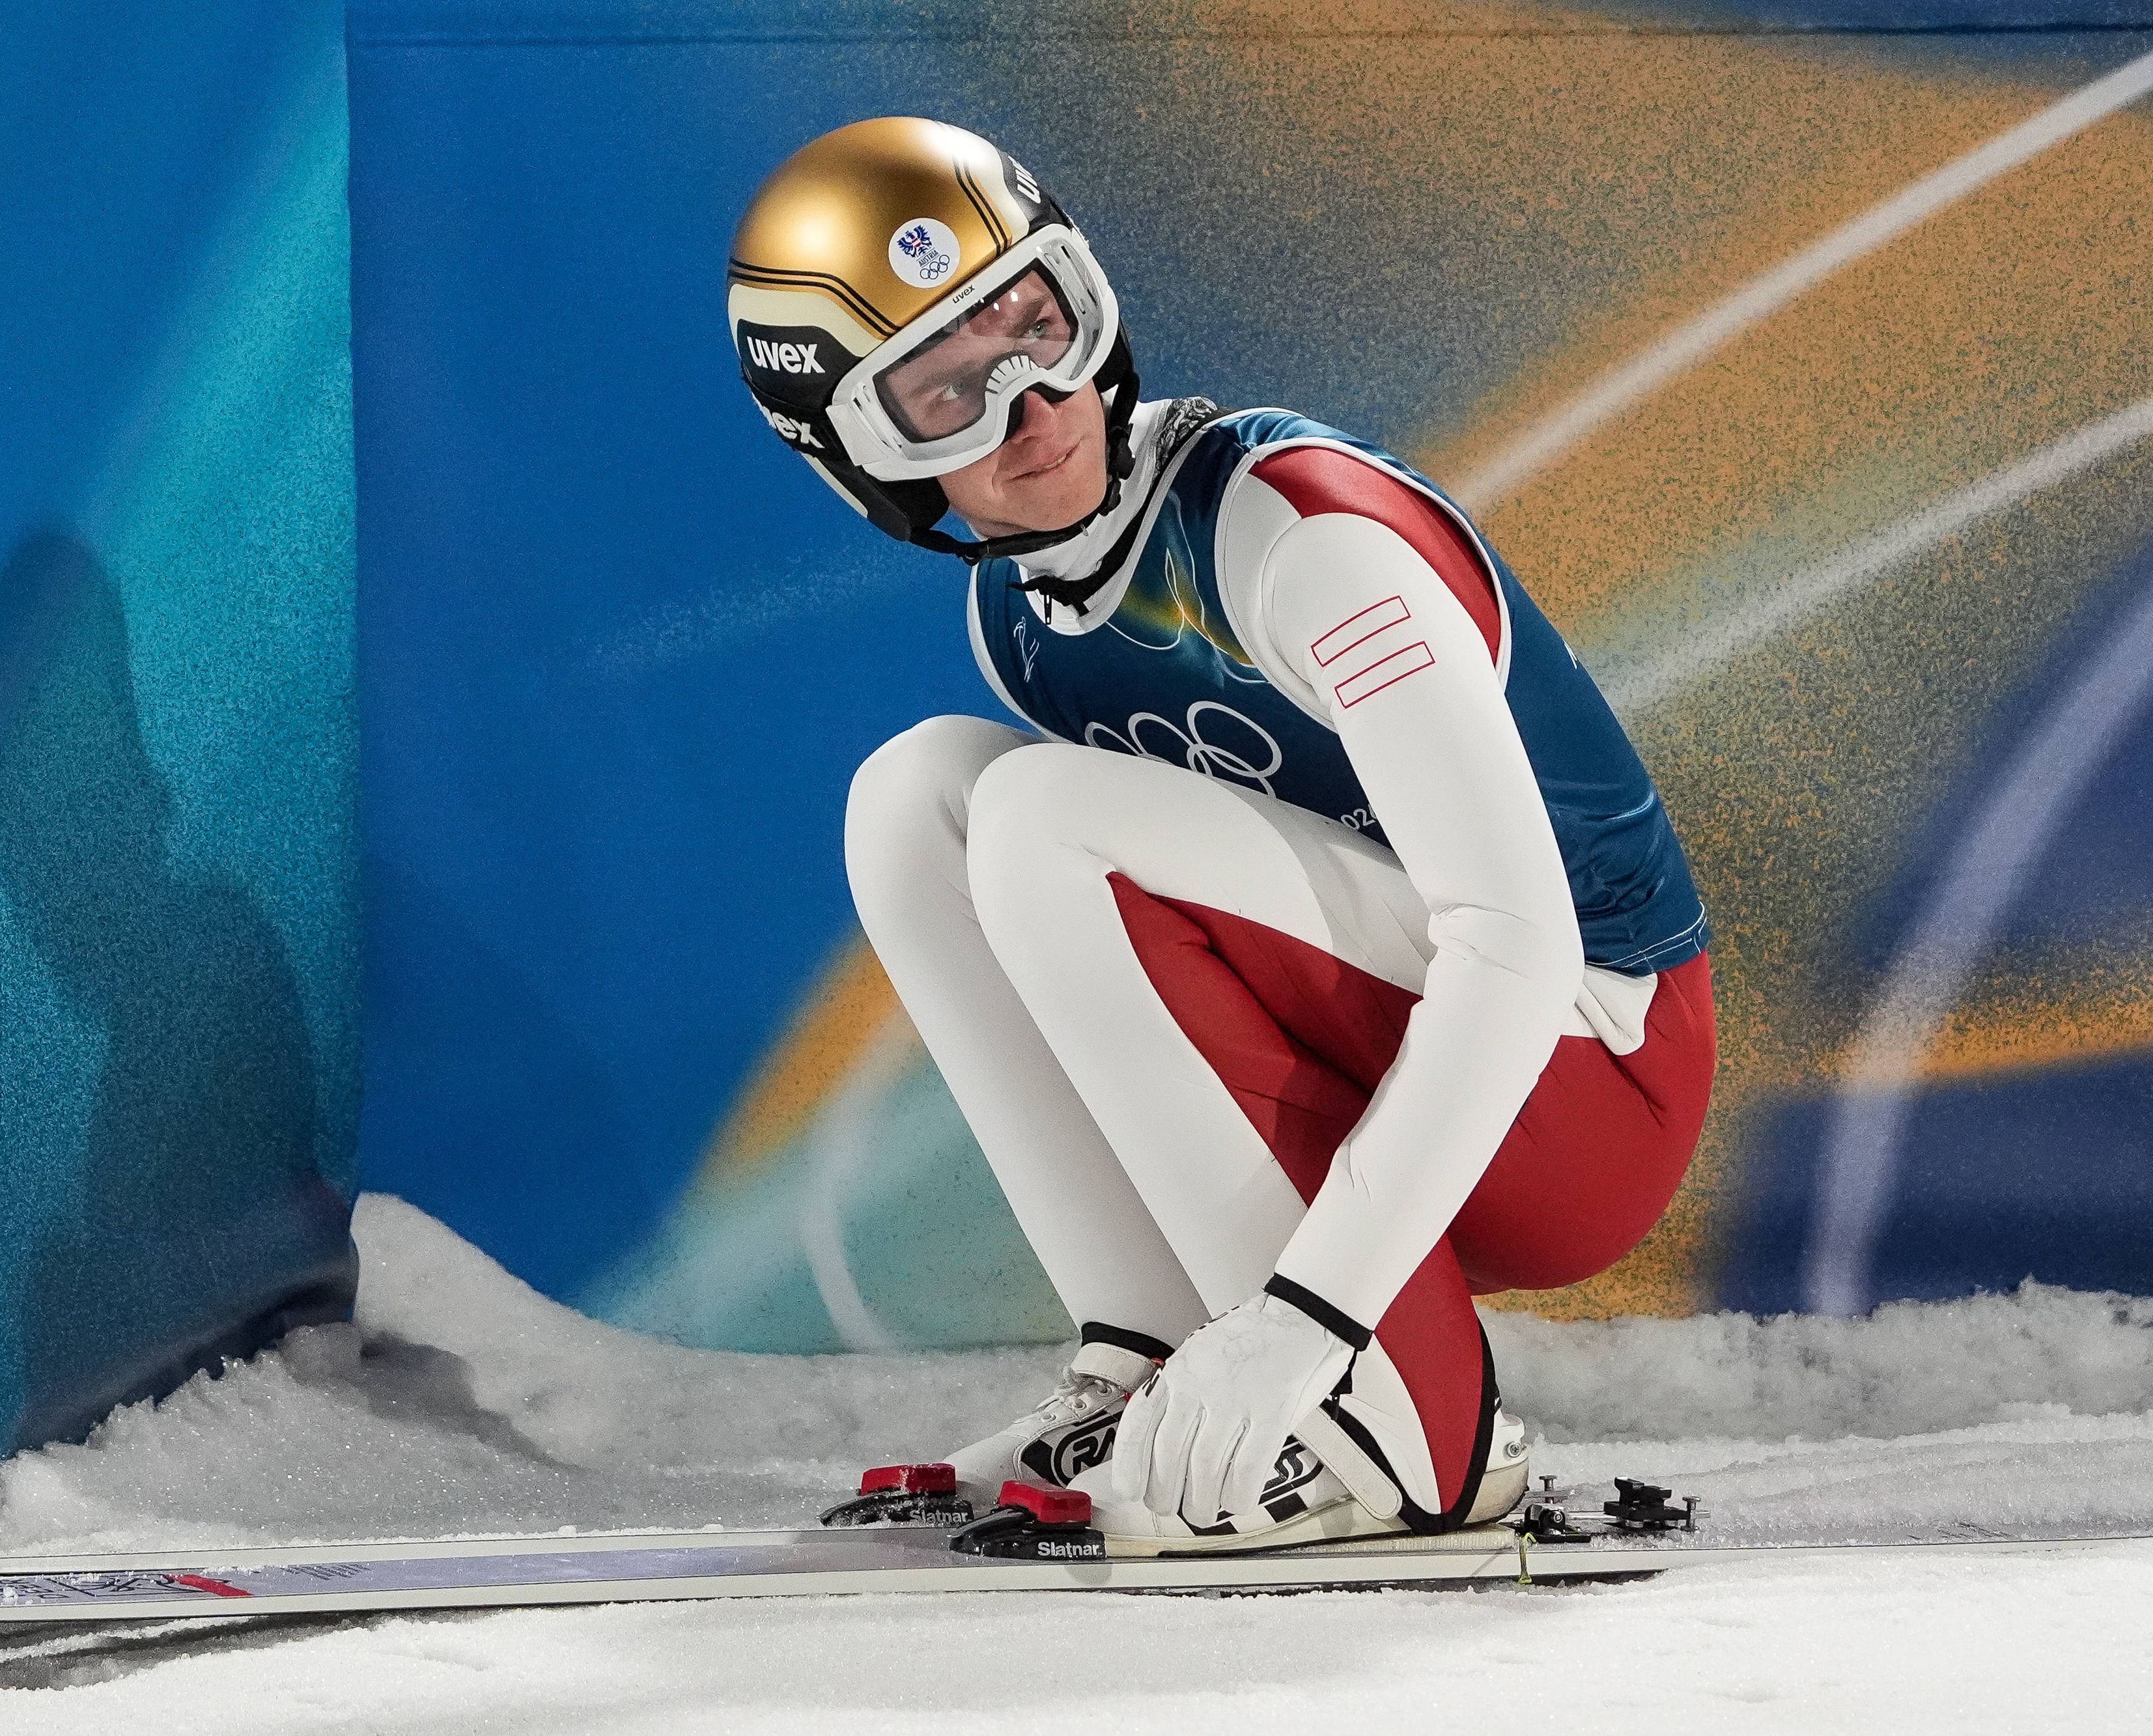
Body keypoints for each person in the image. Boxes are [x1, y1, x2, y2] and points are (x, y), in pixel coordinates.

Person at [727, 117, 1716, 1554]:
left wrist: (1310, 1317)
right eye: (943, 391)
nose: (1032, 406)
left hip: (1587, 1076)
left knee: (1042, 814)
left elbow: (1516, 940)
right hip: (1395, 1061)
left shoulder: (1295, 536)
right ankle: (1143, 1352)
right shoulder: (1021, 615)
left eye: (1035, 325)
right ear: (863, 459)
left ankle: (1397, 1421)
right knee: (919, 795)